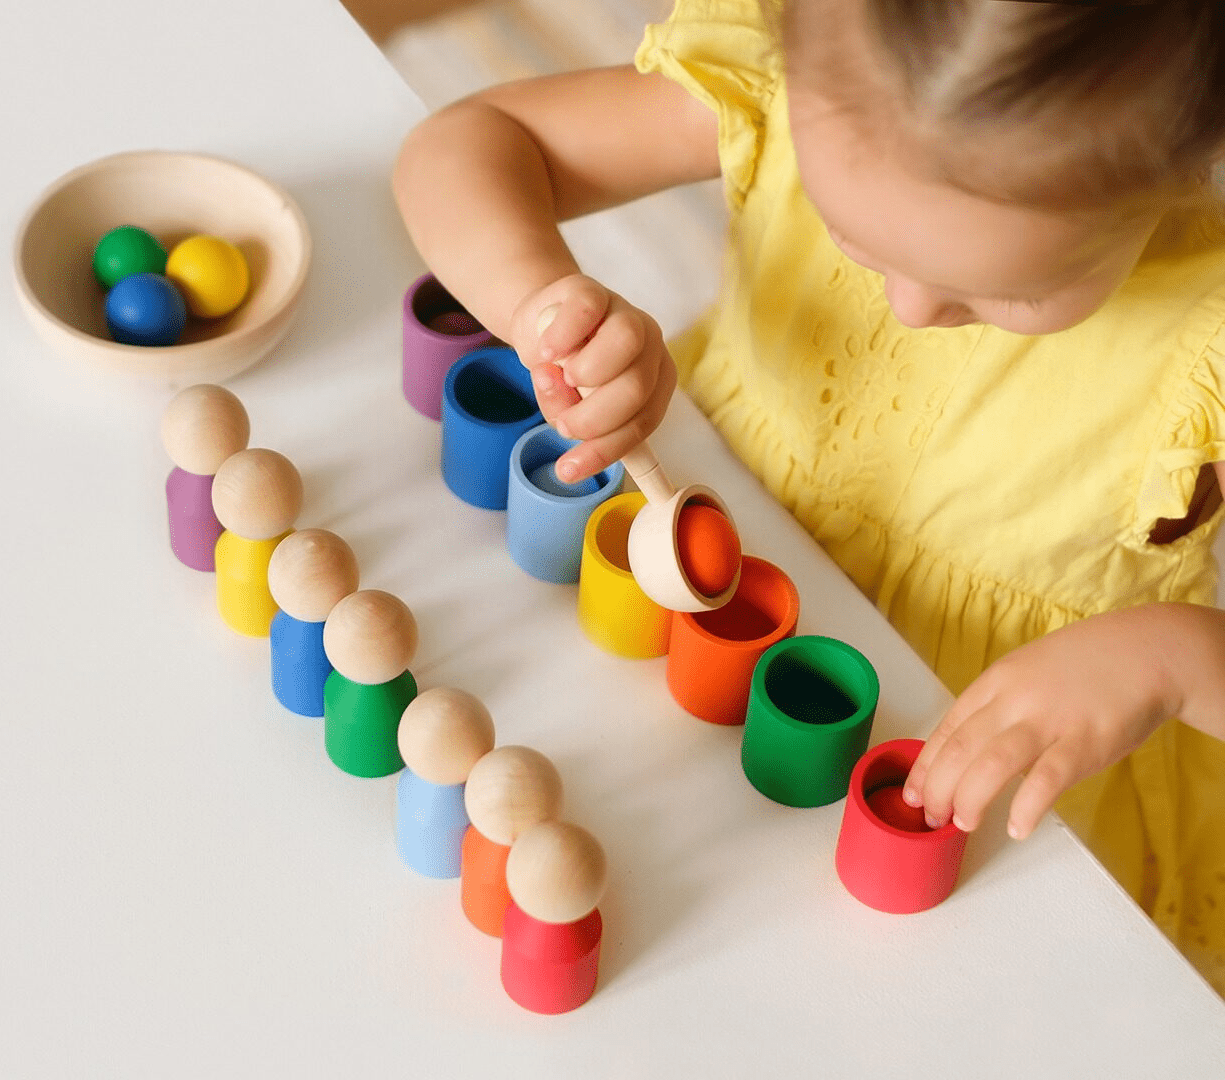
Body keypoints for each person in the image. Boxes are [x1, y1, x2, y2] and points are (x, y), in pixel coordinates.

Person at [392, 0, 1225, 988]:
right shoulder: (794, 85)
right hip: (680, 662)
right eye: (855, 240)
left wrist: (1172, 661)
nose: (912, 310)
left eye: (1015, 293)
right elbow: (470, 144)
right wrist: (541, 304)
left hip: (973, 793)